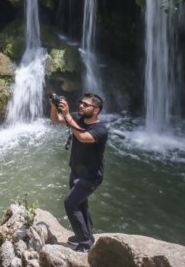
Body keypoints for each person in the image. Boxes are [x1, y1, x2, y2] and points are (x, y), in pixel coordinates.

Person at [50, 93, 108, 253]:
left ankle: (85, 243)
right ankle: (86, 235)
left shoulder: (100, 129)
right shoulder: (77, 117)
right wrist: (54, 107)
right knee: (81, 203)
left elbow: (83, 137)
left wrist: (68, 115)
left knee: (70, 203)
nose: (81, 106)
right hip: (76, 170)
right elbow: (56, 120)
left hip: (91, 176)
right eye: (80, 102)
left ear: (96, 110)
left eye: (85, 104)